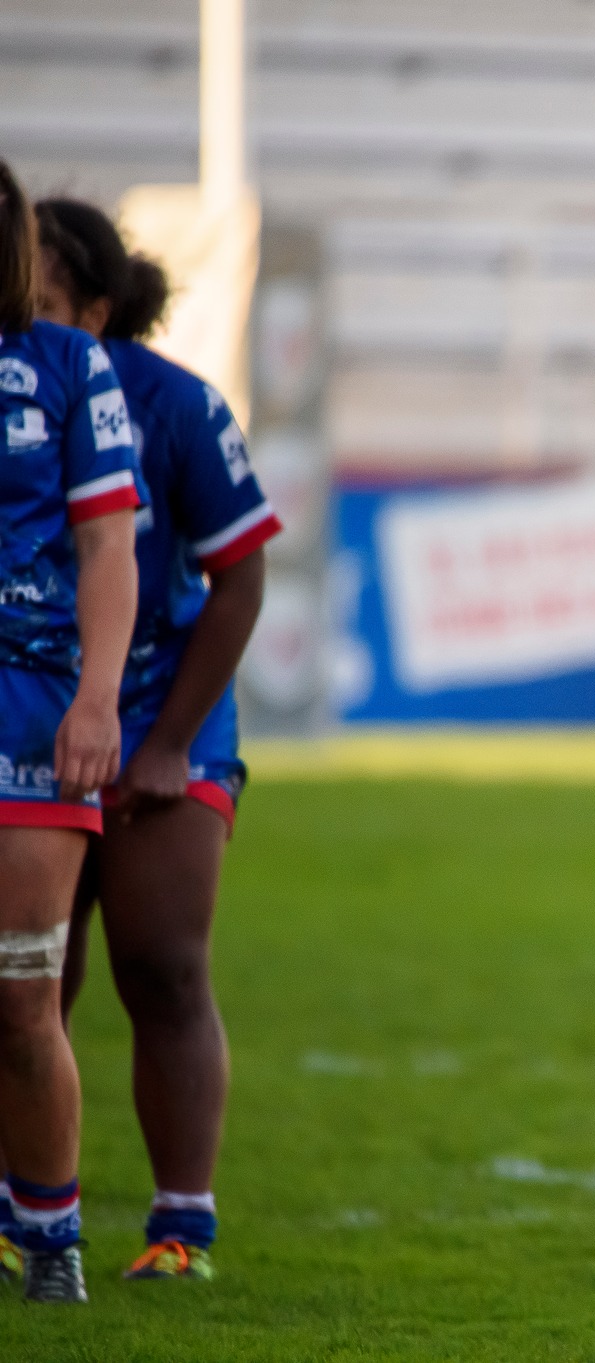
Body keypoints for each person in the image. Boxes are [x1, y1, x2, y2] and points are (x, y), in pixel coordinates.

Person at [25, 198, 279, 1283]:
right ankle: (31, 1210)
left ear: (95, 308)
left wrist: (169, 741)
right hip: (35, 714)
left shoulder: (176, 405)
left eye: (38, 300)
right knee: (31, 980)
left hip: (164, 712)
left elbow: (241, 577)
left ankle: (182, 1228)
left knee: (164, 966)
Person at [0, 159, 143, 1304]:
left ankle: (50, 1238)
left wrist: (100, 697)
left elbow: (107, 545)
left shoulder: (67, 366)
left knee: (21, 994)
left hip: (31, 699)